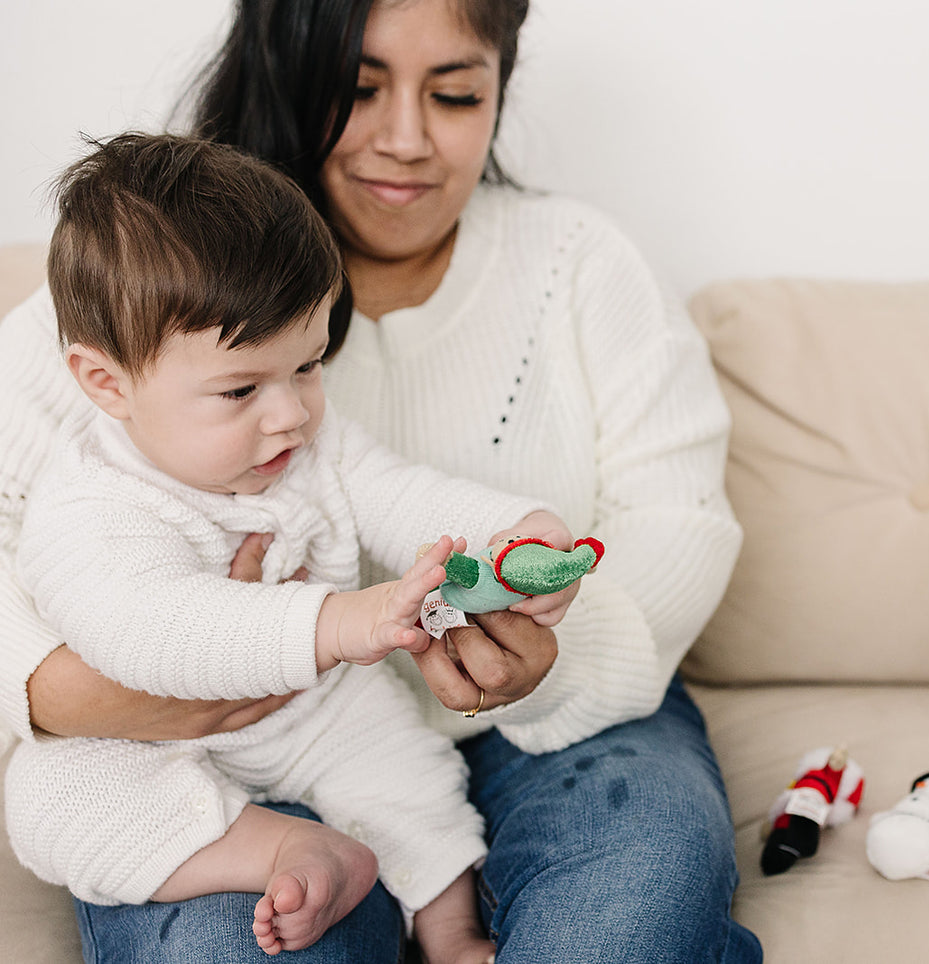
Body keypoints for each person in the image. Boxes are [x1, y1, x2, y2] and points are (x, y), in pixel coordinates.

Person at [0, 0, 762, 961]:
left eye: (453, 94)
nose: (405, 139)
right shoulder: (142, 278)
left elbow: (669, 521)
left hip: (550, 727)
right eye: (359, 89)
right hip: (222, 745)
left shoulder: (580, 263)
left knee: (625, 925)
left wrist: (547, 624)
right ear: (284, 72)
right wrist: (63, 690)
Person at [7, 132, 581, 962]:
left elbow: (403, 494)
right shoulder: (88, 505)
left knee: (408, 772)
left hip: (314, 712)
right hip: (142, 742)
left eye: (307, 367)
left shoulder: (309, 442)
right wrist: (344, 622)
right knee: (51, 801)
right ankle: (277, 848)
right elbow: (152, 628)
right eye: (241, 389)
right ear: (108, 383)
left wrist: (511, 534)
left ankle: (452, 933)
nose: (290, 416)